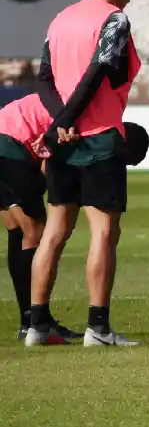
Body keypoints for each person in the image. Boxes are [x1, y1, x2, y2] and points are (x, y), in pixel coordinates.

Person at [27, 0, 142, 348]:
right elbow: (98, 72)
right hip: (99, 138)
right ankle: (98, 327)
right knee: (104, 232)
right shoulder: (115, 19)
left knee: (54, 233)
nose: (129, 1)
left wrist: (59, 123)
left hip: (62, 139)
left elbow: (42, 78)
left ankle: (37, 325)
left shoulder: (59, 20)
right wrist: (69, 122)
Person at [0, 93, 80, 344]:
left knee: (18, 230)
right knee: (36, 232)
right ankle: (37, 322)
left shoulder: (62, 95)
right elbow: (50, 160)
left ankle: (29, 321)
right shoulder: (77, 105)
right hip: (10, 145)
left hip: (7, 137)